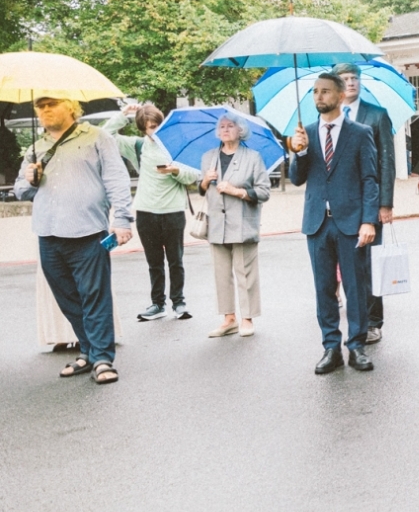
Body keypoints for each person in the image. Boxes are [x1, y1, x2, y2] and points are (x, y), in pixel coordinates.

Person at [15, 95, 134, 384]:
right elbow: (20, 191)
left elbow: (117, 179)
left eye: (51, 104)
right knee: (68, 299)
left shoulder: (97, 137)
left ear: (70, 106)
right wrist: (30, 180)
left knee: (94, 296)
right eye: (40, 107)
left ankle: (103, 358)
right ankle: (89, 351)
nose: (44, 111)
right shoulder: (36, 147)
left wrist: (121, 220)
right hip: (48, 233)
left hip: (87, 232)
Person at [286, 72, 380, 375]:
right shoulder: (307, 133)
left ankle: (356, 346)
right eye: (315, 92)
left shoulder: (360, 132)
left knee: (355, 288)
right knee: (324, 288)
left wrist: (369, 221)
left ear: (340, 96)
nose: (318, 97)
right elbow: (297, 179)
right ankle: (330, 347)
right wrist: (298, 152)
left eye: (325, 91)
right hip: (317, 224)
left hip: (351, 222)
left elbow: (370, 179)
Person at [108, 103, 200, 321]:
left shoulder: (176, 145)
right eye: (150, 127)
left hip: (173, 211)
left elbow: (193, 176)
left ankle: (179, 302)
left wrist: (176, 170)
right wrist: (123, 115)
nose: (155, 130)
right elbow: (106, 136)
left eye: (158, 125)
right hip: (146, 212)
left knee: (175, 260)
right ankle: (157, 304)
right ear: (142, 128)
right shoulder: (137, 146)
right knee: (154, 262)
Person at [332, 63, 395, 344]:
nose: (351, 82)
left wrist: (385, 204)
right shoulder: (328, 118)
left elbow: (387, 161)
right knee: (348, 266)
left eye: (355, 78)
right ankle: (354, 319)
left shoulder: (377, 115)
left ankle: (373, 322)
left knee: (371, 265)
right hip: (340, 205)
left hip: (370, 202)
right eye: (345, 79)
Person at [197, 113, 271, 339]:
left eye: (230, 126)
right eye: (222, 126)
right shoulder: (209, 157)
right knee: (221, 274)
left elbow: (264, 191)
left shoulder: (253, 157)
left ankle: (247, 318)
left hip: (242, 222)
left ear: (241, 131)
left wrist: (237, 191)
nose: (225, 129)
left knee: (245, 273)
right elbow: (202, 191)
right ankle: (229, 319)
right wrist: (204, 181)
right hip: (216, 224)